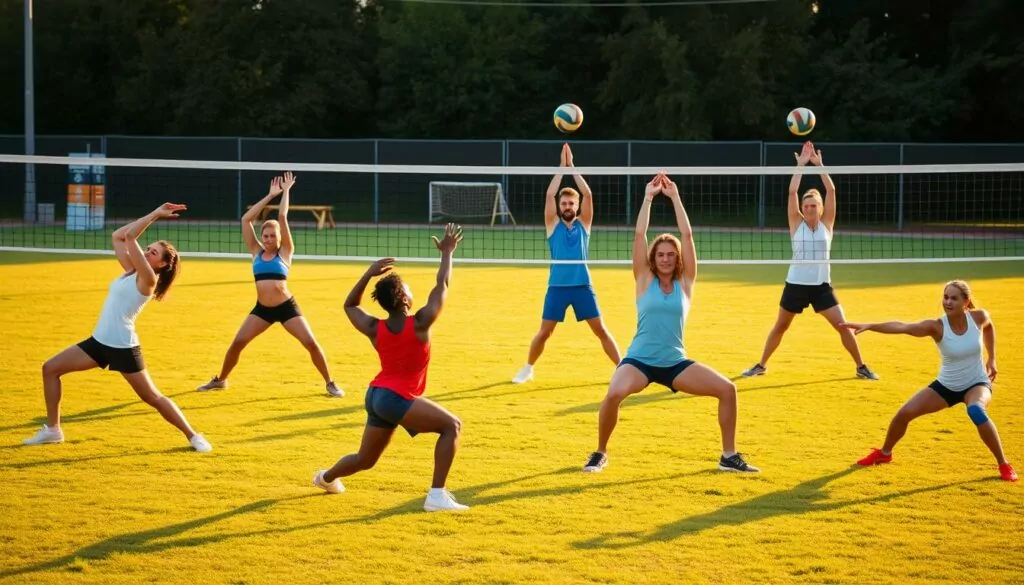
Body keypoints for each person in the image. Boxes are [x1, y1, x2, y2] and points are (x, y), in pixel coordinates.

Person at [582, 174, 758, 474]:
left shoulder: (686, 283)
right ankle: (600, 453)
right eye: (660, 254)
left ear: (677, 259)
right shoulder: (643, 279)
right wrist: (648, 198)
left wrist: (675, 197)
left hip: (674, 362)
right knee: (613, 394)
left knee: (728, 389)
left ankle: (729, 456)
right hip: (639, 361)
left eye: (670, 255)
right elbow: (639, 236)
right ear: (653, 257)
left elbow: (687, 237)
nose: (665, 258)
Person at [23, 203, 212, 453]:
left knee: (152, 397)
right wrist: (153, 213)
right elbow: (118, 236)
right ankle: (53, 430)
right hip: (99, 342)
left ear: (162, 265)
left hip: (122, 346)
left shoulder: (148, 279)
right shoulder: (131, 271)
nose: (147, 253)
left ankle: (193, 435)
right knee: (50, 369)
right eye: (147, 249)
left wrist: (155, 214)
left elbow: (130, 236)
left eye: (153, 253)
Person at [313, 224, 470, 511]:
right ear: (404, 299)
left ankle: (325, 477)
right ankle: (436, 496)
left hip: (375, 395)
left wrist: (368, 274)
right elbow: (442, 285)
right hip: (395, 397)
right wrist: (447, 252)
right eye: (408, 291)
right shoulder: (420, 322)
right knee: (452, 426)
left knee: (365, 459)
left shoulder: (375, 327)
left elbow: (350, 305)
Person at [841, 280, 1017, 482]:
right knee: (903, 415)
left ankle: (1004, 464)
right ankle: (885, 453)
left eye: (954, 298)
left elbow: (989, 326)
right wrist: (871, 326)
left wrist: (992, 357)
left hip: (976, 383)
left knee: (976, 410)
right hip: (946, 386)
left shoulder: (979, 317)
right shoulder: (936, 327)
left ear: (966, 302)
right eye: (945, 297)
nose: (948, 302)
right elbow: (903, 327)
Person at [197, 172, 343, 397]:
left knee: (311, 343)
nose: (267, 239)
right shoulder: (255, 251)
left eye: (271, 236)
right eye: (265, 236)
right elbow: (246, 220)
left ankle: (330, 382)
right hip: (262, 310)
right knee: (237, 343)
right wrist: (269, 195)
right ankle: (221, 380)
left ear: (279, 238)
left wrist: (285, 192)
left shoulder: (285, 253)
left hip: (287, 308)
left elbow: (282, 217)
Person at [741, 141, 878, 380]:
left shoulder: (827, 224)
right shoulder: (796, 223)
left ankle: (861, 366)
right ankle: (761, 365)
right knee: (781, 326)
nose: (810, 208)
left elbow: (832, 191)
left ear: (821, 207)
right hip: (795, 284)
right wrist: (801, 166)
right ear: (802, 208)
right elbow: (792, 192)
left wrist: (819, 165)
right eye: (807, 205)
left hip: (821, 286)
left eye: (814, 205)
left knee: (842, 325)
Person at [512, 143, 621, 384]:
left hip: (582, 286)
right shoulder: (552, 224)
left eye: (571, 203)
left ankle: (622, 369)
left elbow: (589, 194)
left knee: (600, 330)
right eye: (564, 204)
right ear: (560, 207)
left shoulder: (584, 224)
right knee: (544, 333)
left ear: (577, 206)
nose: (567, 207)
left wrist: (572, 168)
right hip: (558, 287)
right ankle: (528, 368)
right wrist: (561, 169)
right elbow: (550, 194)